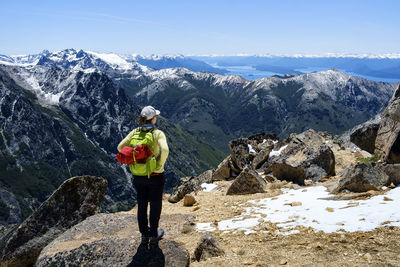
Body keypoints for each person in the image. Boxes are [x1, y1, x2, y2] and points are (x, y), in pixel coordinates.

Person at [117, 106, 169, 247]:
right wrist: (159, 165)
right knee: (155, 204)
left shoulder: (135, 132)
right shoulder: (157, 133)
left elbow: (120, 147)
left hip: (138, 175)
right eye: (155, 116)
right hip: (155, 175)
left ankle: (144, 234)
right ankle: (154, 234)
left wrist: (135, 157)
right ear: (153, 119)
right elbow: (164, 150)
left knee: (142, 204)